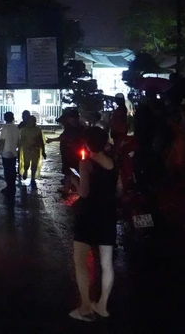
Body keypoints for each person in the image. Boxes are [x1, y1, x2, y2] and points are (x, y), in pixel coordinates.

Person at [69, 126, 119, 321]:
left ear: (88, 143)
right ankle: (102, 306)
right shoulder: (114, 162)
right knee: (107, 264)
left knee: (80, 261)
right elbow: (120, 189)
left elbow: (84, 193)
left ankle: (85, 307)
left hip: (89, 215)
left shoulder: (86, 163)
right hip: (108, 215)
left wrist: (73, 179)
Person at [49, 111, 85, 194]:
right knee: (74, 169)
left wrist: (52, 140)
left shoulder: (73, 129)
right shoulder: (79, 128)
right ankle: (73, 185)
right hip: (71, 153)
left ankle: (67, 187)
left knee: (69, 170)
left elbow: (63, 138)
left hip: (70, 154)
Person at [19, 115, 46, 188]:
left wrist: (43, 151)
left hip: (35, 149)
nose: (31, 122)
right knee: (26, 163)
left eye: (32, 121)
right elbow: (21, 139)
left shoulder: (38, 130)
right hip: (26, 149)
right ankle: (25, 171)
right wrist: (18, 147)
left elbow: (41, 141)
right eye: (30, 121)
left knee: (34, 164)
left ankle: (33, 178)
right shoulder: (24, 130)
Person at [0, 112, 21, 199]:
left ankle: (9, 186)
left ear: (5, 118)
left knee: (7, 170)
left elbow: (2, 141)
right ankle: (12, 186)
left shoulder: (5, 127)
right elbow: (19, 141)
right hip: (13, 152)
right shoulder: (16, 128)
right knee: (12, 169)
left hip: (6, 152)